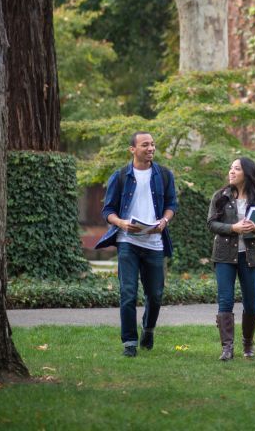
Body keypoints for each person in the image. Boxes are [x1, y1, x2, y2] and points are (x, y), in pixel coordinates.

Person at [95, 132, 177, 357]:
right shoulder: (120, 176)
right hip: (128, 242)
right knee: (128, 293)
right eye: (145, 145)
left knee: (155, 294)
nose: (151, 148)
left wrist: (165, 220)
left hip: (154, 243)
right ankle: (130, 342)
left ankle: (148, 329)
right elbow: (107, 211)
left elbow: (171, 204)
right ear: (133, 149)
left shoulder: (165, 175)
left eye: (152, 144)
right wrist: (121, 223)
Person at [207, 157, 255, 360]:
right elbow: (211, 224)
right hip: (224, 256)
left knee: (252, 304)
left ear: (247, 173)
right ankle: (227, 348)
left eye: (236, 169)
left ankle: (248, 344)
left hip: (250, 257)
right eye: (231, 168)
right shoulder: (220, 196)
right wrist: (233, 228)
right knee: (225, 301)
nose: (231, 172)